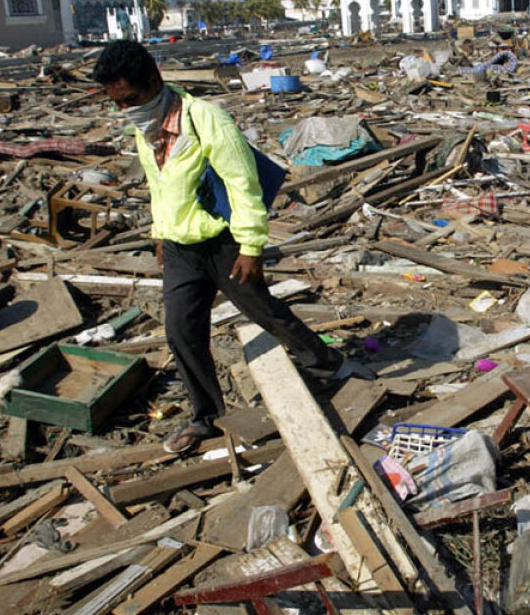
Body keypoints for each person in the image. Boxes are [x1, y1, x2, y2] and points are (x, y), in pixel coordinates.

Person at [93, 41, 367, 454]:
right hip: (180, 248)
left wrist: (251, 246)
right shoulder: (146, 127)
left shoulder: (206, 120)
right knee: (181, 332)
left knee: (264, 312)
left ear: (153, 81)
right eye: (117, 103)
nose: (125, 109)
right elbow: (159, 185)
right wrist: (159, 233)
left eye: (130, 99)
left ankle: (328, 363)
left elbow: (243, 185)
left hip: (224, 243)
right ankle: (204, 416)